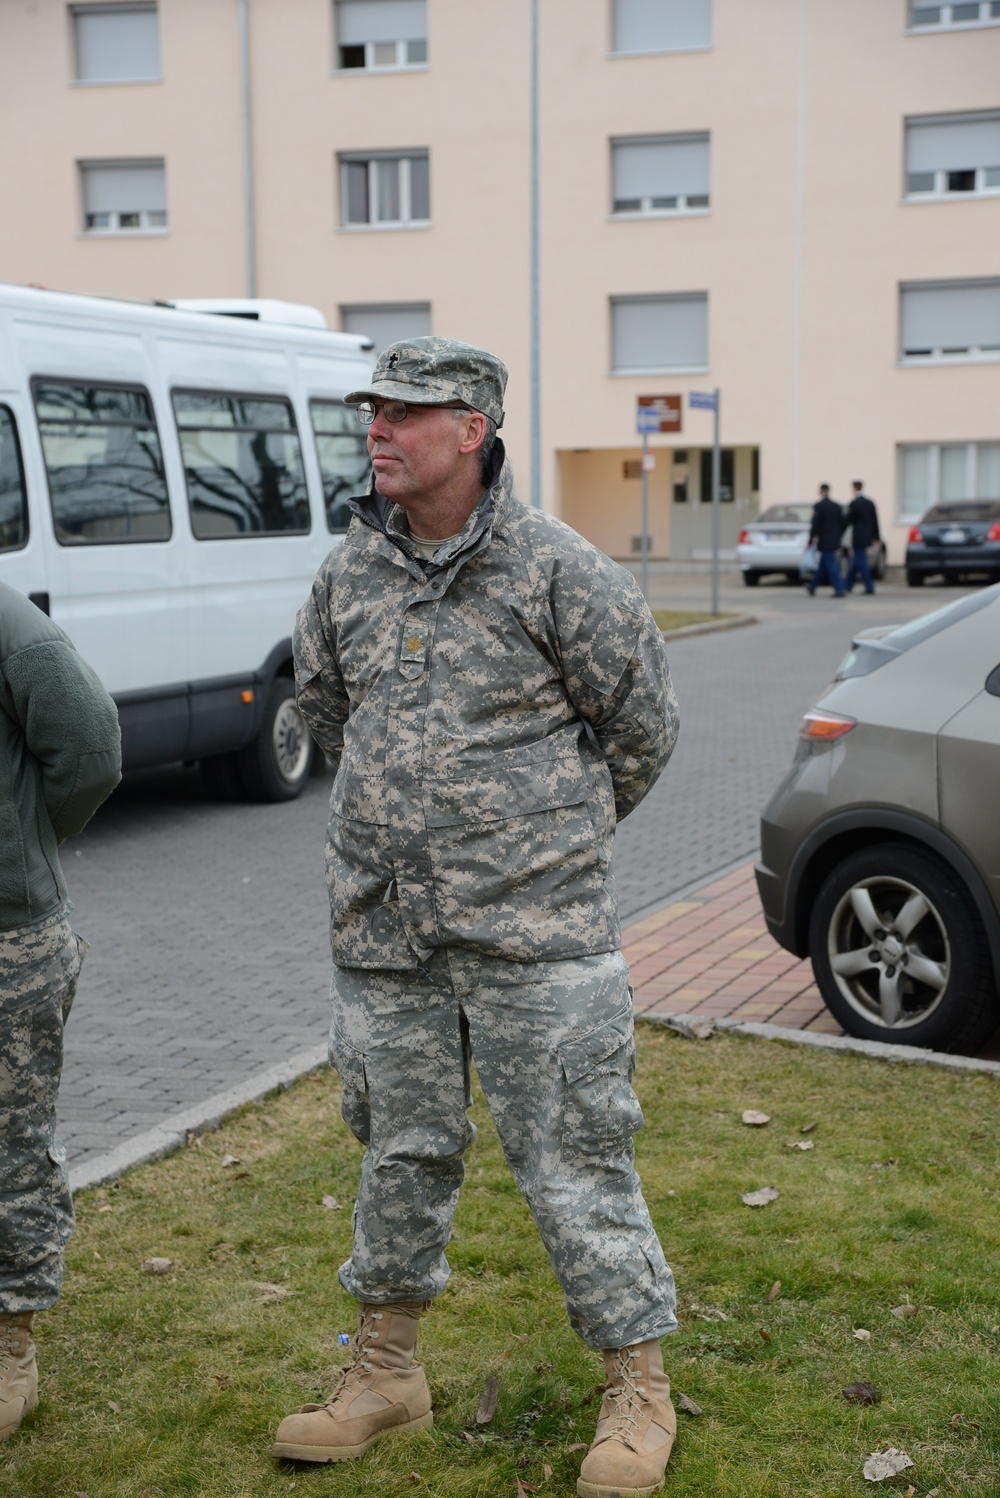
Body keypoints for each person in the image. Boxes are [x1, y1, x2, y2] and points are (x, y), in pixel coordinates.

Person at [275, 338, 681, 1497]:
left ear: (474, 427)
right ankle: (385, 1372)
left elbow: (640, 732)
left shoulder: (563, 571)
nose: (378, 430)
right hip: (388, 935)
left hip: (537, 937)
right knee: (399, 1153)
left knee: (575, 1159)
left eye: (407, 411)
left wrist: (536, 847)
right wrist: (405, 837)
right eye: (373, 410)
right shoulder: (349, 572)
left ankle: (635, 1390)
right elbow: (330, 712)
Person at [0, 582, 121, 1441]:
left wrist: (23, 845)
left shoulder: (11, 627)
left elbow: (89, 748)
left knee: (9, 1146)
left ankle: (10, 1343)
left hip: (8, 937)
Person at [806, 483, 846, 597]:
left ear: (820, 492)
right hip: (834, 539)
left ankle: (839, 589)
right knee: (824, 565)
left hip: (824, 541)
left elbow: (815, 525)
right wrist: (838, 535)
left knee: (830, 565)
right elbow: (843, 523)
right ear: (829, 491)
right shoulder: (836, 506)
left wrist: (810, 540)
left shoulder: (818, 506)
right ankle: (812, 585)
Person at [844, 481, 880, 595]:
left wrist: (838, 532)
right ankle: (848, 585)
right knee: (856, 561)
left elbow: (847, 520)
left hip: (858, 536)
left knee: (862, 561)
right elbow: (875, 520)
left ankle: (869, 586)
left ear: (854, 488)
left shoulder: (854, 503)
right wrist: (876, 536)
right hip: (868, 535)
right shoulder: (870, 503)